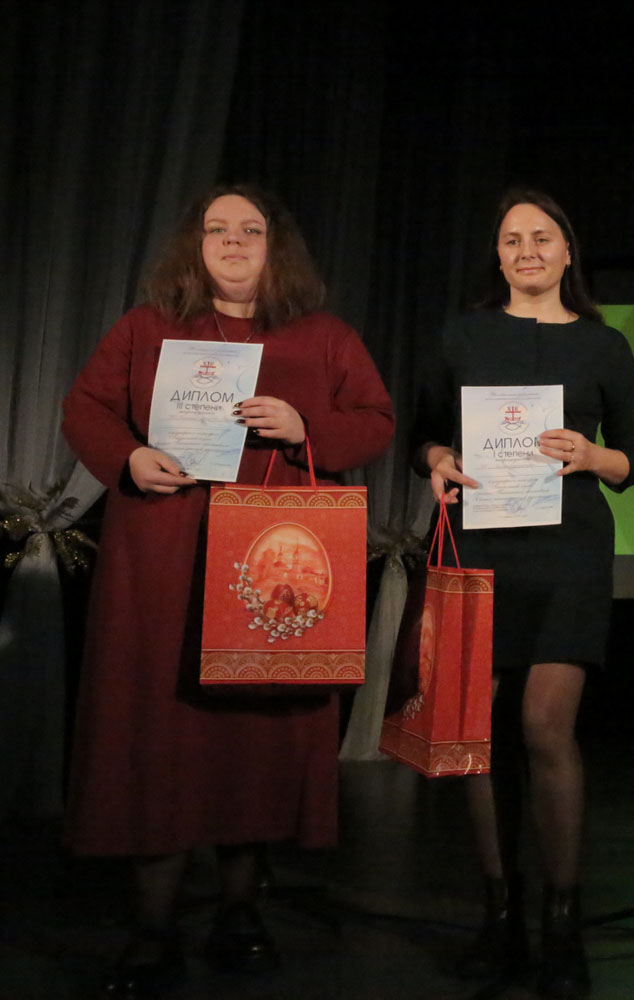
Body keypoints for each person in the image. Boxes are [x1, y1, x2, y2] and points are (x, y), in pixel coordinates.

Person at [61, 184, 394, 997]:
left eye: (251, 229)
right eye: (217, 229)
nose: (234, 241)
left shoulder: (322, 336)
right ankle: (152, 927)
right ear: (195, 244)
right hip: (162, 562)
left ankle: (241, 912)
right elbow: (86, 407)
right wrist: (129, 457)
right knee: (160, 733)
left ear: (277, 247)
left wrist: (307, 429)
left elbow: (376, 420)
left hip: (269, 563)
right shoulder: (148, 328)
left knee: (253, 737)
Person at [411, 187, 634, 999]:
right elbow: (424, 435)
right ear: (499, 255)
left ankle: (562, 922)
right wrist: (437, 461)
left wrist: (591, 456)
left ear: (567, 251)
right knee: (477, 731)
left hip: (569, 551)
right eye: (513, 239)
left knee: (546, 724)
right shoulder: (462, 334)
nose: (528, 251)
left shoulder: (604, 345)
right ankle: (499, 916)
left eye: (542, 237)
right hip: (480, 543)